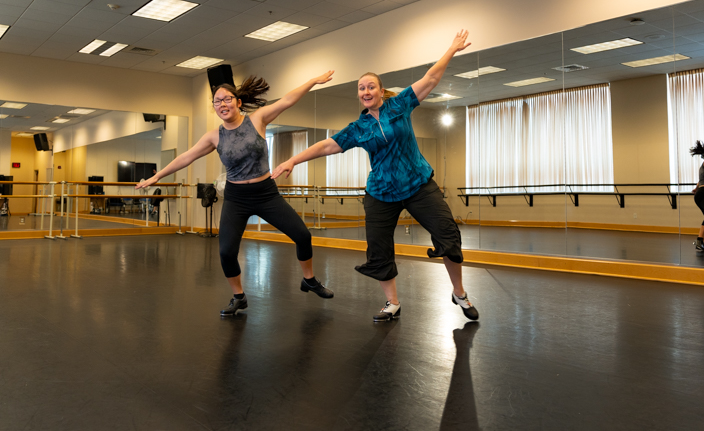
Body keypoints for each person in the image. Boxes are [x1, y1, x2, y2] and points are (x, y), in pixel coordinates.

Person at [272, 30, 479, 323]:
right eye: (360, 88)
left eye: (371, 87)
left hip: (418, 184)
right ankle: (392, 302)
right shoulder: (359, 128)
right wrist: (293, 159)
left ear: (381, 91)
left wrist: (452, 48)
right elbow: (326, 145)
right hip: (381, 191)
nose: (366, 92)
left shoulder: (400, 105)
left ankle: (458, 292)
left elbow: (431, 78)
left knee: (448, 234)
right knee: (379, 248)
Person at [136, 72, 336, 315]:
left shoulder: (258, 119)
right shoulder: (214, 136)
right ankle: (238, 296)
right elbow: (186, 157)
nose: (222, 104)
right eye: (217, 101)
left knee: (303, 236)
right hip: (236, 198)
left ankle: (309, 280)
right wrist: (158, 176)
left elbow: (287, 100)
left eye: (227, 99)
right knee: (226, 252)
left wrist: (312, 81)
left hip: (266, 193)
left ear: (238, 102)